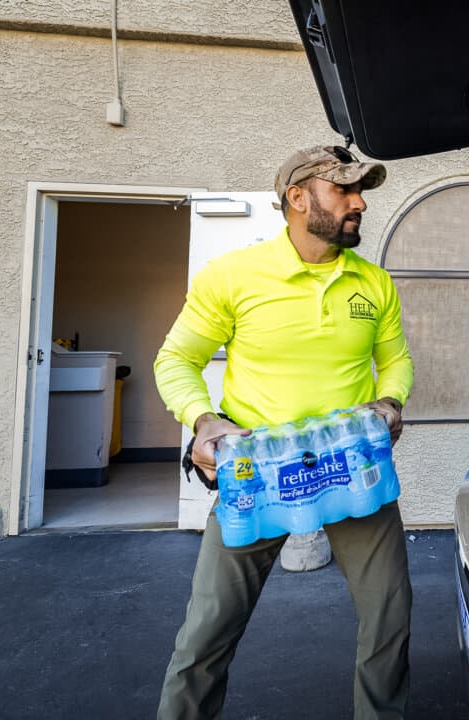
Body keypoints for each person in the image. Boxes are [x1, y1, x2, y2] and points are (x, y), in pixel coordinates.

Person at [154, 145, 415, 720]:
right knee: (206, 634)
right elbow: (175, 360)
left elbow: (395, 360)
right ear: (297, 198)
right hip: (257, 473)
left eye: (359, 190)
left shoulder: (373, 283)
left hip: (353, 469)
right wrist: (204, 420)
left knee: (390, 617)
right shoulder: (233, 276)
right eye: (344, 190)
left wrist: (391, 399)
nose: (360, 202)